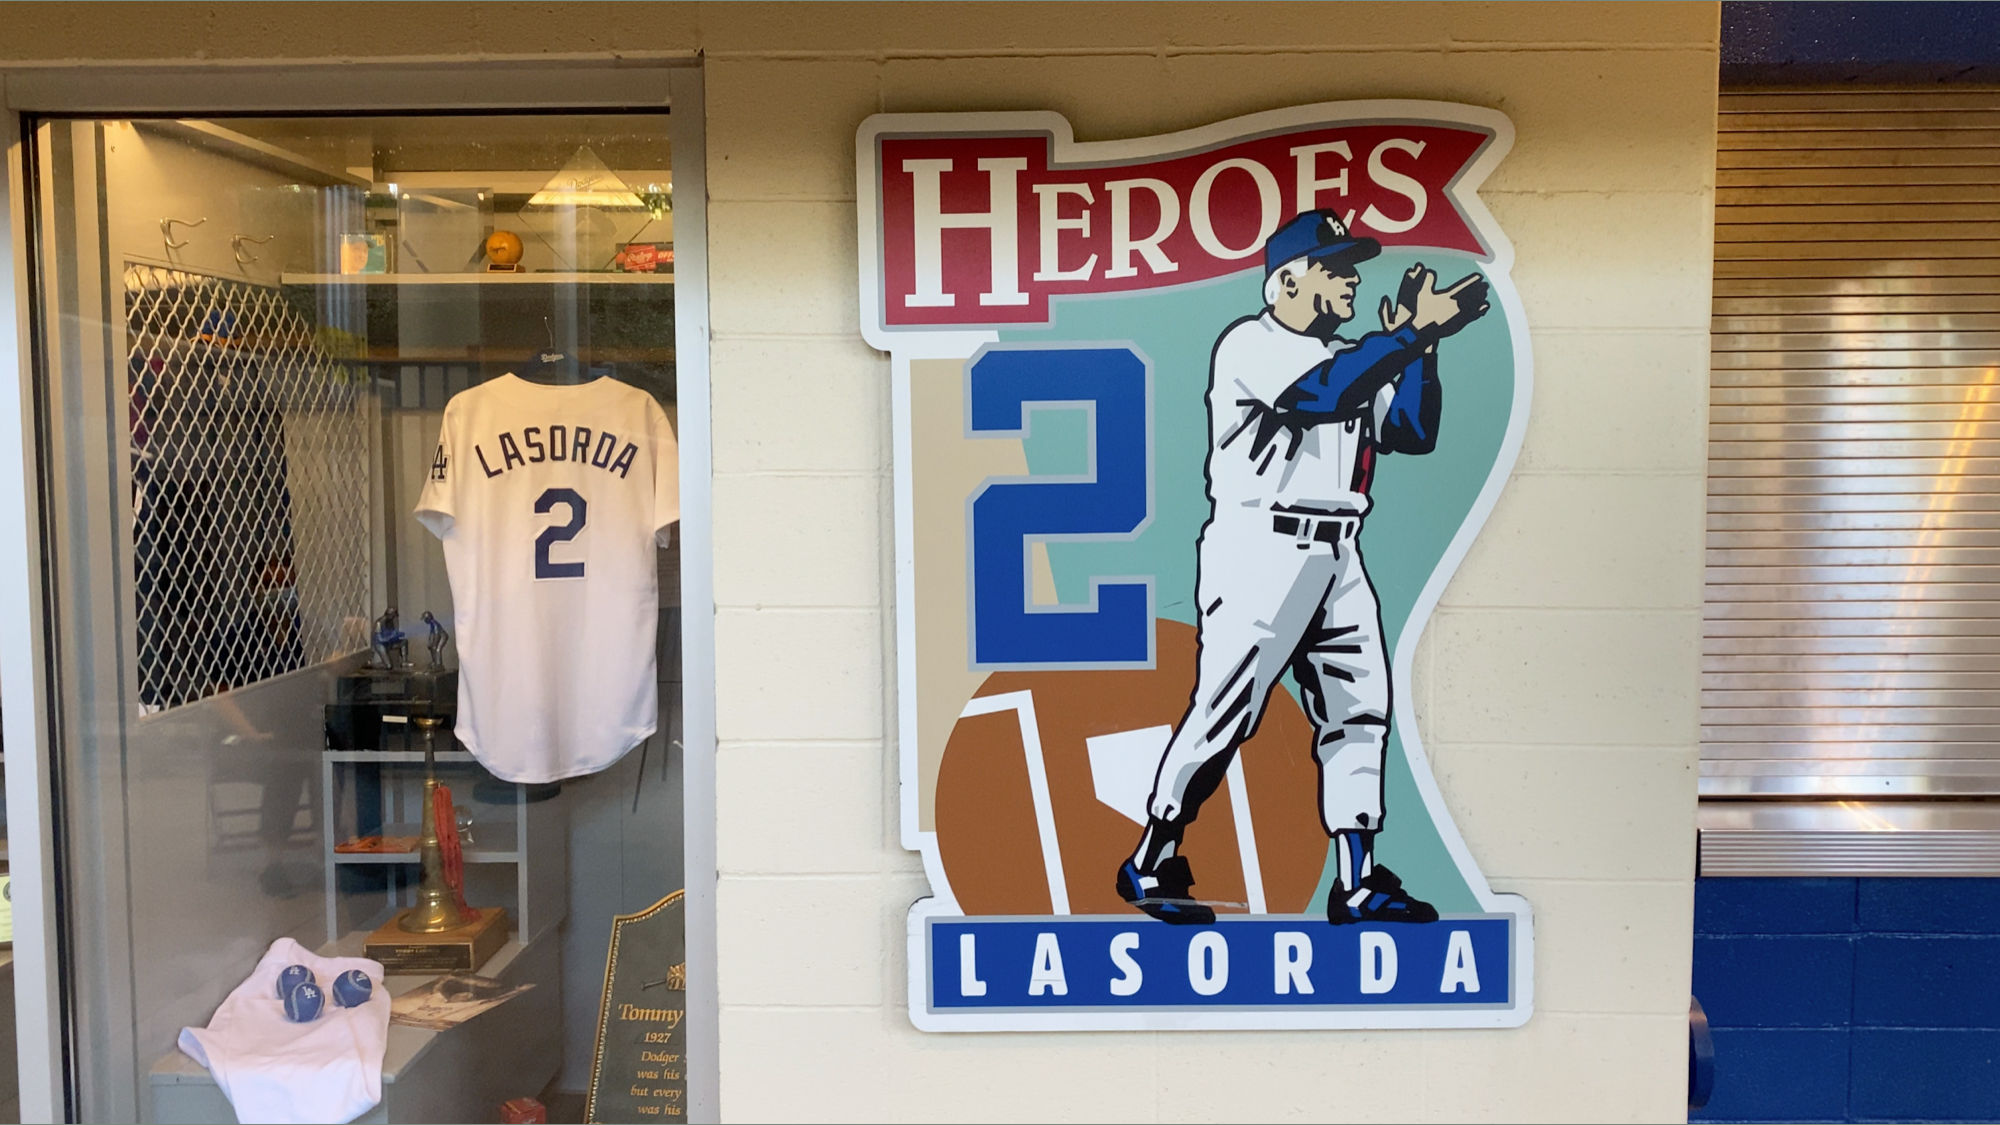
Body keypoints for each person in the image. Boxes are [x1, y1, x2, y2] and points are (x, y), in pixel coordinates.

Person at [1117, 209, 1490, 926]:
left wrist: (1425, 348)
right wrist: (1409, 334)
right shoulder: (1251, 345)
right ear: (1287, 280)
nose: (1351, 279)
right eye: (1336, 267)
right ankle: (1154, 856)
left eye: (1352, 267)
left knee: (1360, 711)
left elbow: (1412, 431)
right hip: (1261, 547)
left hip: (1339, 547)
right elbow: (1325, 393)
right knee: (1227, 711)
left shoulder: (1354, 352)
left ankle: (1356, 880)